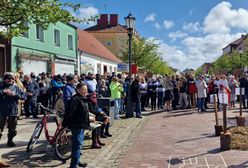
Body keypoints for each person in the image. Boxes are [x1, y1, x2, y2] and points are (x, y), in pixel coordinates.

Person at [63, 83, 89, 168]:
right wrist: (66, 125)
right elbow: (70, 113)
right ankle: (73, 165)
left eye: (86, 89)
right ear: (77, 90)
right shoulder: (75, 99)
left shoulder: (83, 98)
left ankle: (77, 161)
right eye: (83, 89)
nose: (85, 91)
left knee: (79, 144)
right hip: (76, 125)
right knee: (76, 145)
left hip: (81, 125)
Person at [0, 73, 27, 147]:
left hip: (12, 110)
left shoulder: (16, 87)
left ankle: (10, 141)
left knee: (12, 128)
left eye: (12, 79)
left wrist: (15, 95)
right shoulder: (1, 86)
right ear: (5, 79)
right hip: (2, 111)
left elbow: (24, 96)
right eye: (9, 79)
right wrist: (3, 92)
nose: (11, 80)